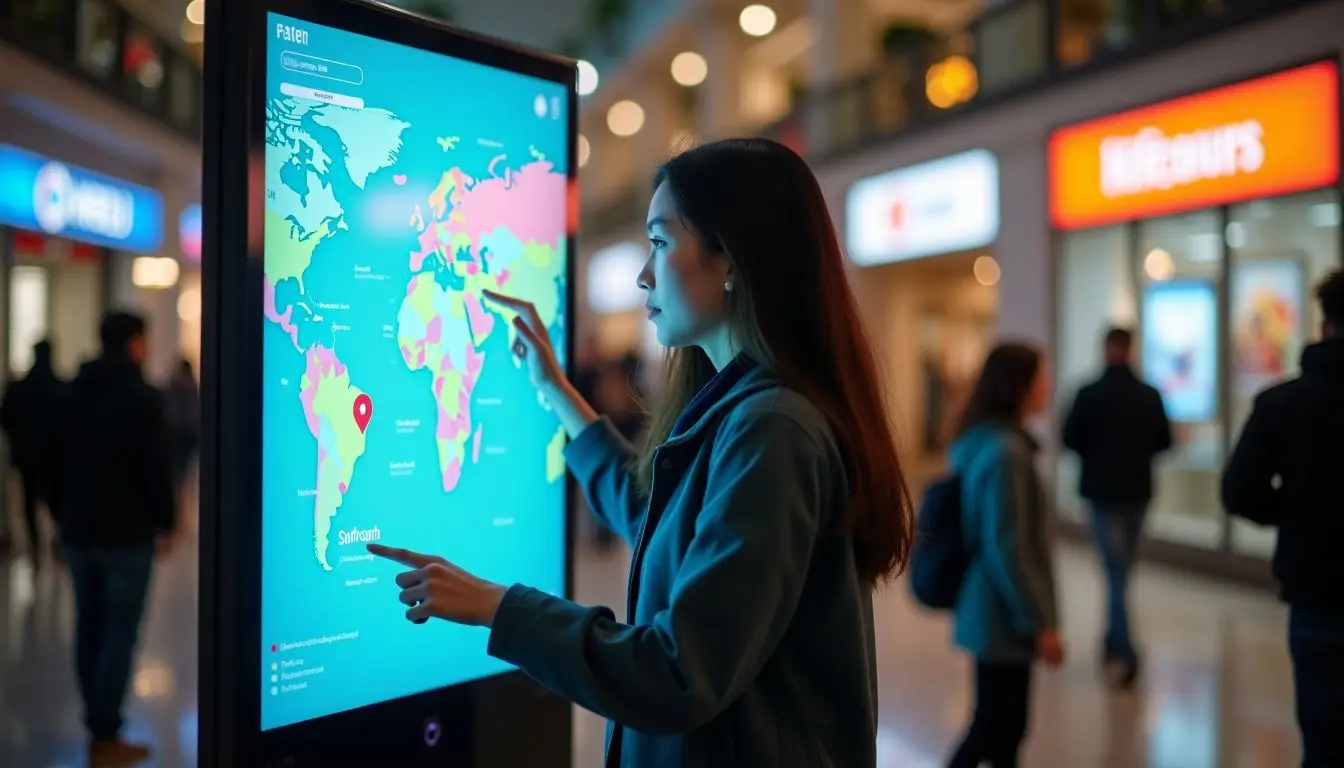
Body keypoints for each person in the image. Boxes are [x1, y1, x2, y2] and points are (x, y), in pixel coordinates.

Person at [369, 138, 914, 766]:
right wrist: (558, 394)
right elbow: (658, 518)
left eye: (660, 241)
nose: (642, 273)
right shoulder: (744, 408)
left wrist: (498, 607)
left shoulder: (774, 429)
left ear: (730, 257)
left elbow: (680, 674)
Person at [1222, 269, 1344, 768]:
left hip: (1318, 592)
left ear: (1324, 324)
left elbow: (1238, 491)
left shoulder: (1283, 403)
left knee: (1324, 740)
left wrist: (1296, 514)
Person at [44, 311, 177, 767]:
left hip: (80, 531)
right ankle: (106, 732)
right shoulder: (143, 398)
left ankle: (97, 724)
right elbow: (157, 469)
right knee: (119, 633)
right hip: (128, 535)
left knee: (89, 625)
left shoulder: (70, 393)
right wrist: (167, 522)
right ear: (135, 343)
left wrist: (60, 517)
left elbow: (50, 462)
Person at [947, 342, 1063, 768]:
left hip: (993, 609)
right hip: (1001, 615)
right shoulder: (1005, 454)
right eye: (1040, 378)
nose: (1046, 388)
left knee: (1002, 728)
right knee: (996, 728)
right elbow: (1008, 547)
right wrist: (1038, 621)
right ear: (1018, 386)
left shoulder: (995, 444)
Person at [1061, 326, 1172, 688]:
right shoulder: (1148, 394)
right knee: (1119, 573)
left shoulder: (1089, 394)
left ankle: (1120, 647)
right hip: (1137, 492)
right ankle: (1118, 644)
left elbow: (1069, 438)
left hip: (1102, 494)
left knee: (1116, 574)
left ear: (1106, 348)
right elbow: (1164, 442)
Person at [0, 339, 64, 562]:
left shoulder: (21, 388)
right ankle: (55, 539)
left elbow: (6, 417)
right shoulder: (59, 387)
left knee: (30, 499)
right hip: (53, 455)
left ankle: (36, 542)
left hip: (27, 453)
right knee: (53, 497)